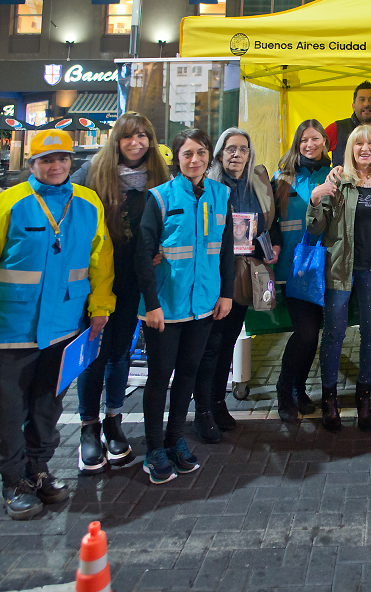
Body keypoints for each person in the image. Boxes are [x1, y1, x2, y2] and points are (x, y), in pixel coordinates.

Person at [0, 128, 115, 519]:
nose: (56, 166)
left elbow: (101, 261)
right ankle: (13, 481)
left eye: (62, 159)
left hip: (63, 330)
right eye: (46, 160)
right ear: (32, 165)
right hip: (9, 331)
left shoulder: (87, 202)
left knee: (46, 407)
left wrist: (100, 307)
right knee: (7, 412)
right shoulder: (8, 205)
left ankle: (38, 469)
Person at [135, 128, 235, 484]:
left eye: (201, 153)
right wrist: (151, 305)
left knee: (188, 375)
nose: (195, 160)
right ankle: (153, 449)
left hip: (204, 306)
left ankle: (175, 439)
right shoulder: (159, 198)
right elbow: (143, 256)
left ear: (210, 156)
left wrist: (226, 294)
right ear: (177, 159)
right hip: (165, 308)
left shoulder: (222, 195)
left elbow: (225, 251)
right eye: (188, 154)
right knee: (159, 378)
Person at [74, 112, 169, 475]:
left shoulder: (158, 177)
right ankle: (88, 428)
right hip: (97, 279)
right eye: (129, 137)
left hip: (134, 280)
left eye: (143, 136)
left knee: (119, 354)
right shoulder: (93, 172)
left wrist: (161, 246)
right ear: (117, 140)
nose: (136, 143)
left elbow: (166, 222)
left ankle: (113, 420)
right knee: (93, 354)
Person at [192, 128, 279, 441]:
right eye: (230, 148)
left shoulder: (256, 182)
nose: (237, 154)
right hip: (213, 275)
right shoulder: (208, 186)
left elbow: (270, 220)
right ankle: (203, 407)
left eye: (243, 148)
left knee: (227, 341)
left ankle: (216, 402)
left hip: (244, 274)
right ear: (219, 153)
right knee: (209, 346)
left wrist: (271, 245)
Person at [307, 125, 371, 433]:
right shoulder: (337, 180)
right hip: (339, 269)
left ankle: (364, 399)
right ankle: (329, 399)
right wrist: (315, 200)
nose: (365, 148)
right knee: (333, 336)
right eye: (358, 144)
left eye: (370, 144)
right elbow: (316, 228)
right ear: (350, 148)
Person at [273, 120, 333, 421]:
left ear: (325, 141)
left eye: (316, 139)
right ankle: (284, 389)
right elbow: (271, 223)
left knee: (313, 333)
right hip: (290, 268)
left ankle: (299, 389)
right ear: (297, 143)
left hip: (322, 267)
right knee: (306, 333)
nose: (310, 145)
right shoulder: (281, 177)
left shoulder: (333, 174)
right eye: (304, 140)